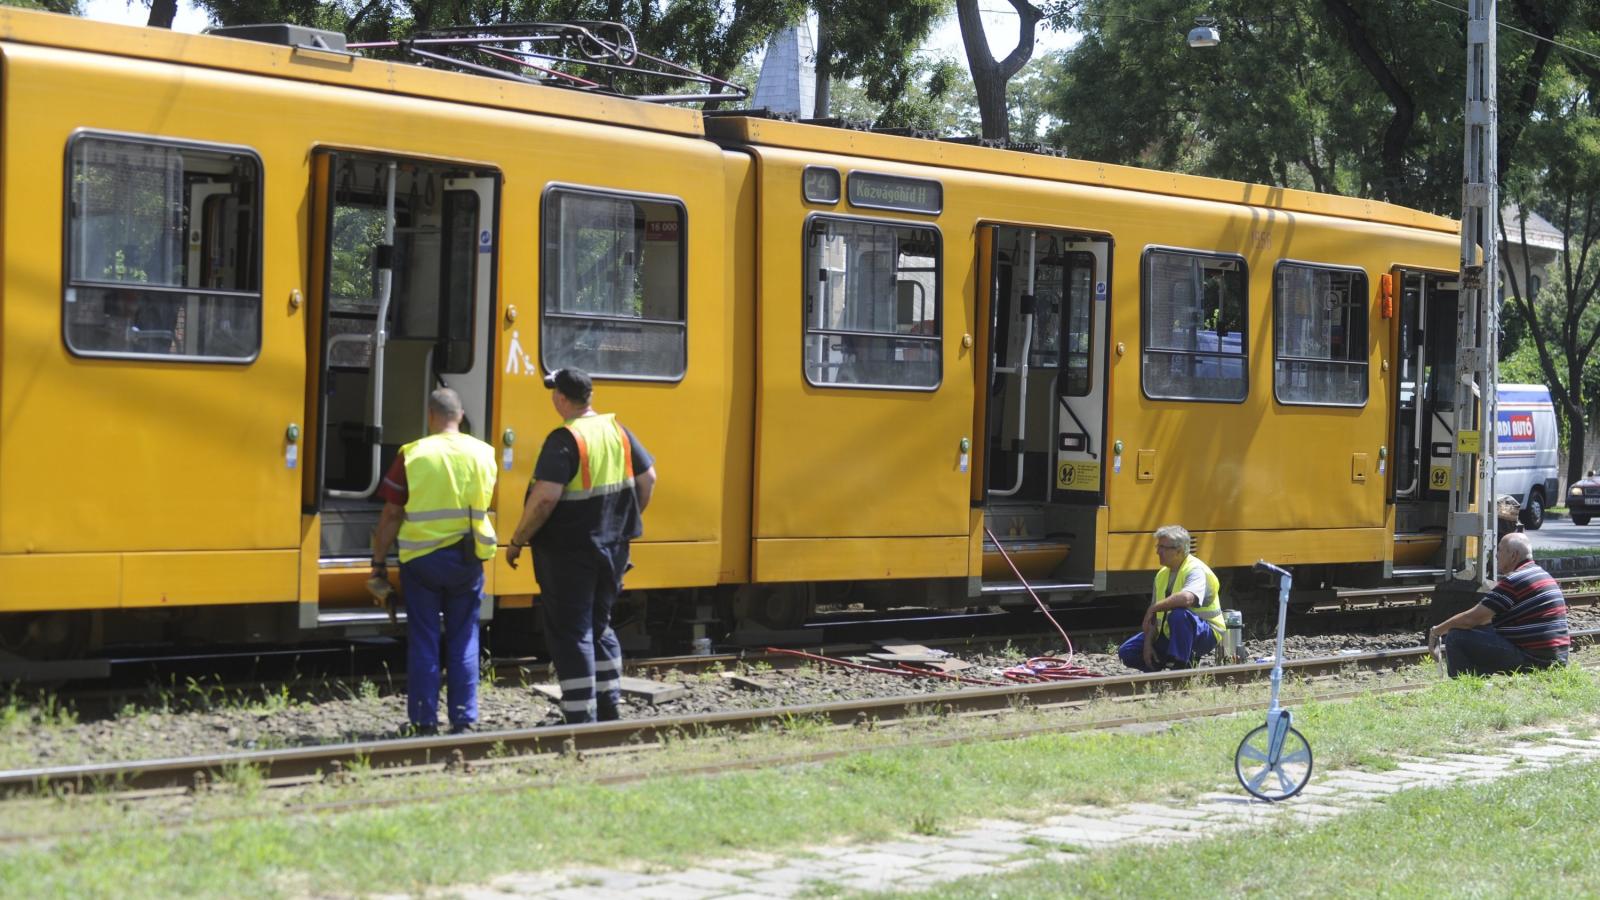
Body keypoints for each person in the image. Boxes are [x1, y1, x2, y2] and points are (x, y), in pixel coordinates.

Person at [506, 368, 657, 724]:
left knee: (572, 632)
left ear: (561, 398)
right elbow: (648, 478)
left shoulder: (565, 439)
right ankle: (608, 705)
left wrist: (517, 540)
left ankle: (579, 717)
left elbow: (544, 499)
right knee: (600, 625)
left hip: (569, 553)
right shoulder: (616, 430)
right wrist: (622, 523)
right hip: (613, 549)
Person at [371, 387, 499, 735]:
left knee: (425, 639)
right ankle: (464, 718)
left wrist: (378, 562)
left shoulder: (413, 454)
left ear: (431, 415)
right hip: (467, 560)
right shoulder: (485, 454)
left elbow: (392, 513)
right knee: (464, 638)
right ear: (460, 416)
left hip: (422, 561)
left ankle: (424, 722)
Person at [1428, 532, 1569, 677]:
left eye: (1500, 550)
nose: (1496, 556)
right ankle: (1478, 681)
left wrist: (1436, 632)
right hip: (1556, 659)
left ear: (1513, 555)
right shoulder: (1541, 574)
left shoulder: (1515, 581)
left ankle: (1464, 687)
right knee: (1481, 630)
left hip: (1536, 661)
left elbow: (1470, 619)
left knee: (1456, 636)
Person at [1118, 525, 1225, 672]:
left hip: (1205, 634)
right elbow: (1154, 620)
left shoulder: (1195, 570)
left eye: (1162, 547)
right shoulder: (1162, 575)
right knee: (1126, 652)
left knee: (1179, 615)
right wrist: (1148, 645)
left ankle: (1181, 667)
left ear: (1179, 550)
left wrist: (1153, 607)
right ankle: (1158, 671)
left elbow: (1187, 598)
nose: (1157, 551)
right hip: (1170, 634)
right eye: (1158, 546)